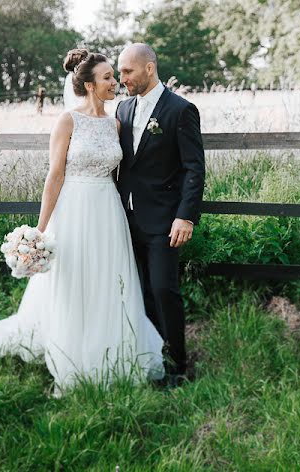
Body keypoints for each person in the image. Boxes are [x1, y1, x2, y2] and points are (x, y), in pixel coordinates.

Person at [0, 48, 165, 395]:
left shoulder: (116, 122)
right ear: (89, 85)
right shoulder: (67, 121)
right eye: (107, 78)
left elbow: (124, 174)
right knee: (73, 278)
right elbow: (54, 175)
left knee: (109, 278)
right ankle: (71, 353)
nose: (115, 84)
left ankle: (113, 350)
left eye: (114, 77)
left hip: (107, 211)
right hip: (73, 209)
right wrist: (39, 230)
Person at [115, 43, 205, 388]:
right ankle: (150, 359)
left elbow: (194, 169)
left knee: (164, 289)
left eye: (128, 71)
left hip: (166, 221)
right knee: (139, 291)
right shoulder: (123, 109)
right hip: (125, 218)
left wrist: (186, 216)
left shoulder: (181, 110)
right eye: (120, 72)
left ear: (149, 68)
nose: (123, 79)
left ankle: (178, 365)